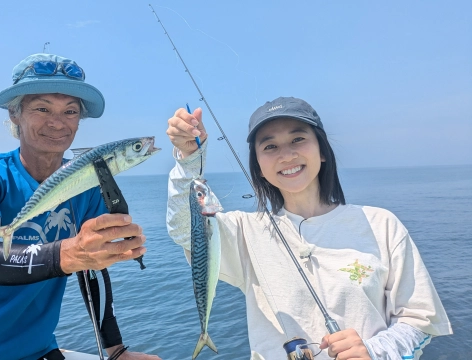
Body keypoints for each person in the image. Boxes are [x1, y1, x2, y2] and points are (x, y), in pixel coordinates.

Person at [0, 53, 161, 360]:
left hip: (36, 352)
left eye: (70, 111)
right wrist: (70, 252)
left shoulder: (87, 185)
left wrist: (116, 350)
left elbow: (92, 271)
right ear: (15, 114)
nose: (57, 122)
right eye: (42, 108)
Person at [165, 97, 452, 359]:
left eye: (298, 139)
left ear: (322, 150)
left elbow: (421, 319)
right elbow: (184, 229)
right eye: (270, 146)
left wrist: (375, 351)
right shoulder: (244, 231)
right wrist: (188, 159)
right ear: (259, 166)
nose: (286, 155)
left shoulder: (381, 224)